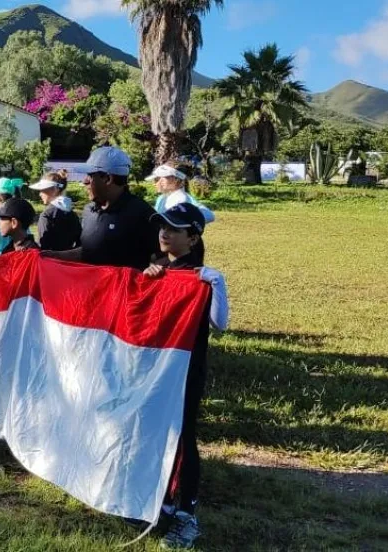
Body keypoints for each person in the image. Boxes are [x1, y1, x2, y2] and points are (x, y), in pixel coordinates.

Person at [142, 202, 229, 550]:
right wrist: (145, 282)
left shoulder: (201, 275)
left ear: (193, 237)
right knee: (156, 431)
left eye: (174, 229)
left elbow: (220, 324)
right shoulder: (157, 265)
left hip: (187, 368)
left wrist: (215, 283)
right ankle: (160, 500)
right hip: (156, 367)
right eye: (163, 226)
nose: (165, 232)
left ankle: (186, 514)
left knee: (183, 436)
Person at [42, 146, 159, 270]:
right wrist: (52, 256)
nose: (84, 181)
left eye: (90, 175)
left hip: (126, 289)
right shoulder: (89, 210)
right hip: (92, 288)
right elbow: (88, 252)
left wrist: (154, 270)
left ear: (108, 179)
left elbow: (165, 257)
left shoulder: (142, 213)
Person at [30, 171, 81, 251]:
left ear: (55, 190)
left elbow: (43, 246)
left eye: (43, 190)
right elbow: (79, 242)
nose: (40, 194)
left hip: (50, 261)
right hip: (68, 260)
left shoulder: (46, 215)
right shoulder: (72, 214)